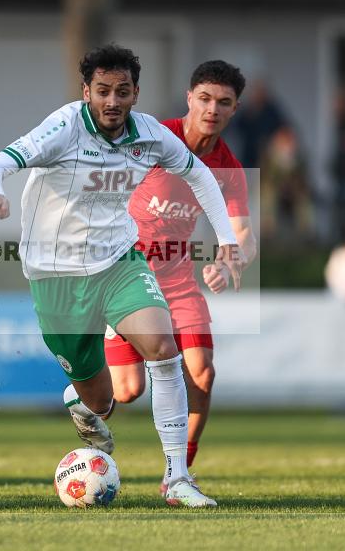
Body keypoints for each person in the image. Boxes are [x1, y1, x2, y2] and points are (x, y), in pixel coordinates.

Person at [0, 45, 244, 507]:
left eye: (122, 91)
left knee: (165, 350)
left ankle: (178, 478)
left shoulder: (151, 135)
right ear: (87, 92)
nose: (113, 101)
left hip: (120, 260)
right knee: (103, 399)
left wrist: (227, 240)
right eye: (103, 91)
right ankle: (83, 402)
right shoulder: (64, 127)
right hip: (55, 274)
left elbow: (199, 174)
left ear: (136, 93)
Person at [101, 60, 256, 493]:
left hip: (177, 278)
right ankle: (80, 393)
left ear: (234, 108)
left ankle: (178, 473)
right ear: (190, 98)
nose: (212, 109)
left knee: (202, 372)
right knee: (127, 392)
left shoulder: (229, 168)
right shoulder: (153, 137)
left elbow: (244, 234)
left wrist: (230, 262)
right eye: (204, 99)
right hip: (125, 275)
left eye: (223, 102)